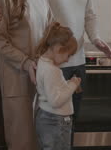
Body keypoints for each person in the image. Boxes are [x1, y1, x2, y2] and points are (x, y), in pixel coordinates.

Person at [0, 0, 53, 150]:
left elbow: (49, 29)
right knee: (22, 140)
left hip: (41, 75)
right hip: (17, 76)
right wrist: (26, 62)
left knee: (40, 138)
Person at [34, 22, 82, 150]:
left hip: (46, 117)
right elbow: (56, 101)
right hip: (57, 121)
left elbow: (51, 90)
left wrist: (66, 84)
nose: (68, 60)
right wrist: (72, 85)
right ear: (59, 49)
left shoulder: (42, 62)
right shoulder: (52, 70)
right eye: (68, 55)